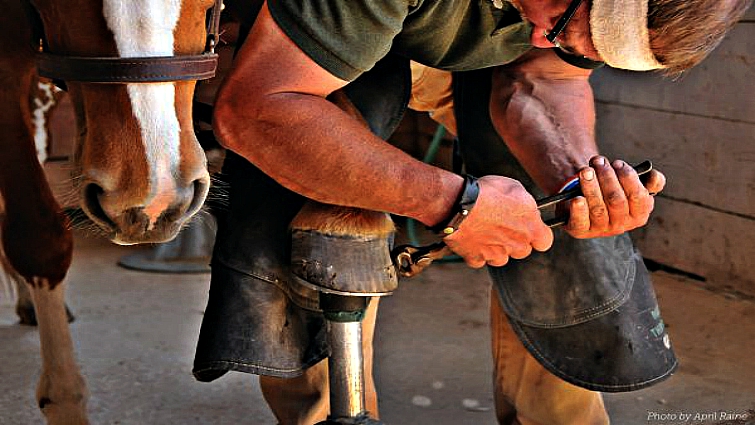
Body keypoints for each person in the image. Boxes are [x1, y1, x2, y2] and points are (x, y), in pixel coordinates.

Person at [192, 0, 752, 424]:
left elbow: (544, 72)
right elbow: (256, 111)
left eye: (580, 45)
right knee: (320, 206)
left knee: (554, 214)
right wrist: (452, 205)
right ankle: (325, 412)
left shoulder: (566, 19)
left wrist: (578, 179)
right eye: (562, 24)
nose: (546, 39)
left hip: (458, 46)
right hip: (323, 50)